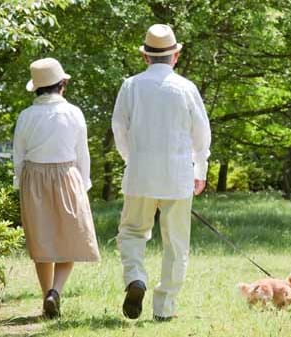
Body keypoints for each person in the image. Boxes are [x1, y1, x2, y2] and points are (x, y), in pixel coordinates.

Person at [112, 24, 211, 321]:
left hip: (140, 173)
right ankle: (164, 308)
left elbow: (119, 128)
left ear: (145, 57)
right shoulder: (186, 88)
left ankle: (135, 278)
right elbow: (201, 134)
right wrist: (201, 168)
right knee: (176, 243)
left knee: (131, 232)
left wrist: (132, 158)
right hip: (178, 173)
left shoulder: (130, 85)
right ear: (176, 55)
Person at [13, 57, 100, 319]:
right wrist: (84, 185)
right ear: (62, 84)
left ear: (37, 88)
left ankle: (45, 296)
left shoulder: (26, 115)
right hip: (66, 174)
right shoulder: (73, 113)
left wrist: (21, 185)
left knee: (43, 241)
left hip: (34, 177)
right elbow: (82, 153)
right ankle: (56, 292)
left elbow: (18, 155)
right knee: (69, 239)